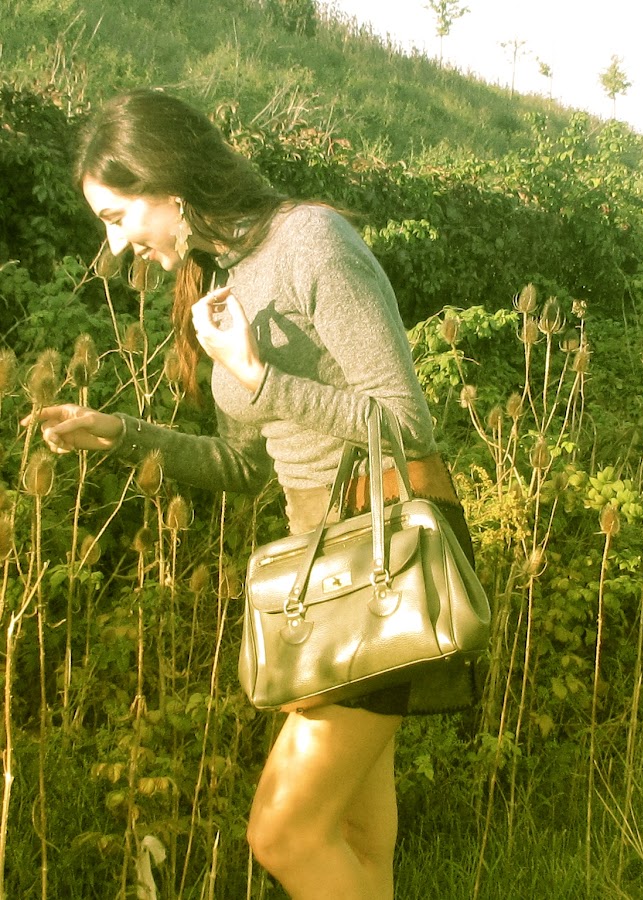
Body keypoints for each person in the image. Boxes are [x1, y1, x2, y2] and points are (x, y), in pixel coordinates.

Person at [24, 89, 477, 900]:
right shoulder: (221, 278)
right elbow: (243, 465)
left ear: (167, 184)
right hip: (323, 564)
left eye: (117, 216)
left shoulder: (312, 242)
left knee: (283, 832)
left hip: (381, 550)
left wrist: (261, 377)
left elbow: (406, 423)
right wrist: (119, 434)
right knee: (352, 836)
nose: (116, 245)